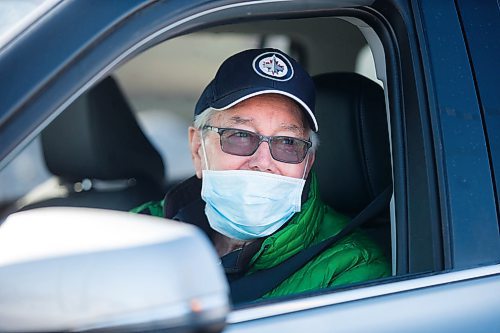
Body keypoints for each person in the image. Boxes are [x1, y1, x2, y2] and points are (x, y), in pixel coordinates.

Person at [132, 48, 390, 301]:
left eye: (287, 142)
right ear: (198, 149)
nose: (263, 162)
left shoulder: (353, 269)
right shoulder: (140, 231)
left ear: (307, 163)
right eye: (240, 136)